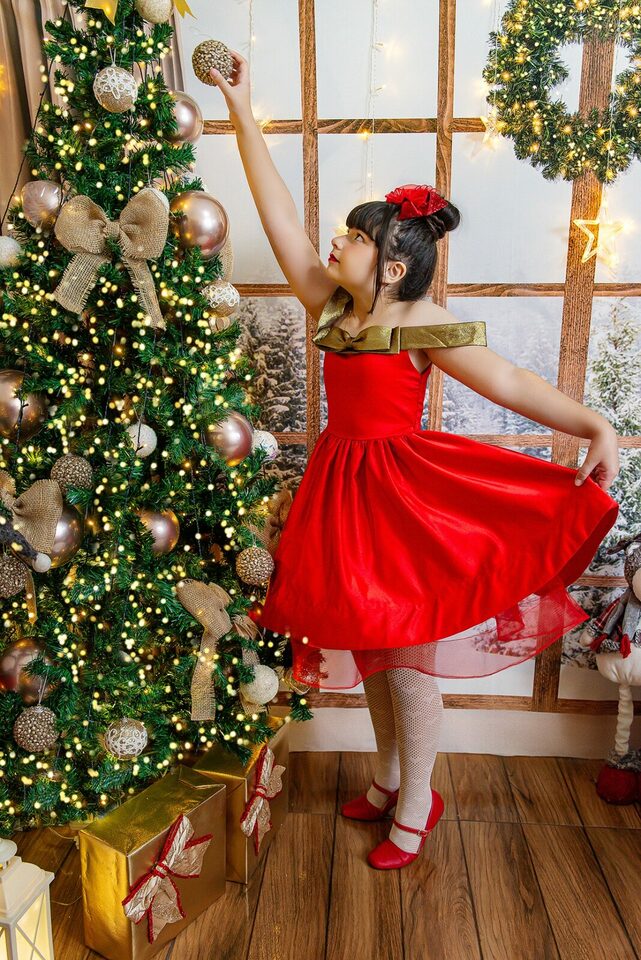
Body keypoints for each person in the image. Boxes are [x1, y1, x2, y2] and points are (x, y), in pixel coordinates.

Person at [209, 53, 620, 870]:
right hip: (340, 495)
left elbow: (509, 380)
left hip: (400, 501)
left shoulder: (421, 327)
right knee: (370, 650)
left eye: (355, 237)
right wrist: (242, 109)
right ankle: (391, 776)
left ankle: (418, 799)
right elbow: (280, 214)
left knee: (403, 663)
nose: (335, 241)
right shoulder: (333, 308)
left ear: (392, 268)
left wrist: (592, 423)